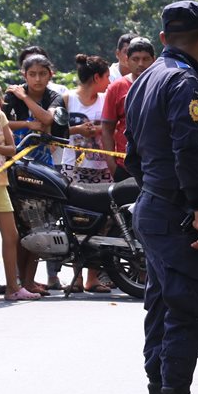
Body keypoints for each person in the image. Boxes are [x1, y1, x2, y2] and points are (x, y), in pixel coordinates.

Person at [124, 0, 198, 394]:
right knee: (192, 313)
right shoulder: (184, 81)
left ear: (164, 38)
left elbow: (132, 154)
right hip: (175, 211)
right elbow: (188, 149)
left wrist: (158, 192)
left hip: (153, 204)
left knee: (163, 309)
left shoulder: (144, 78)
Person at [3, 52, 66, 294]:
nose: (37, 79)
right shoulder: (11, 96)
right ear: (24, 75)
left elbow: (47, 118)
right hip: (15, 167)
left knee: (38, 225)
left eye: (42, 74)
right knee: (21, 226)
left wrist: (25, 98)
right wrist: (28, 124)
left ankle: (29, 280)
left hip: (42, 167)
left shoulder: (53, 97)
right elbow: (1, 122)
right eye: (32, 74)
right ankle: (21, 281)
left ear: (50, 75)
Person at [55, 54, 113, 292]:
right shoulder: (68, 99)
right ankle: (76, 277)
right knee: (75, 221)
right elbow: (55, 129)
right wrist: (78, 129)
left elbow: (112, 127)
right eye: (107, 76)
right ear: (97, 77)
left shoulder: (106, 99)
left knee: (103, 222)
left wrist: (97, 130)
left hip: (102, 168)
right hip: (74, 168)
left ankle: (92, 277)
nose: (109, 81)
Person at [0, 79, 34, 301]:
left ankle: (13, 287)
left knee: (11, 235)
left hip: (0, 182)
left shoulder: (0, 117)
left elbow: (12, 149)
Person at [102, 37, 156, 180]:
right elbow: (107, 128)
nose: (140, 64)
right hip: (124, 166)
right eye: (135, 59)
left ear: (154, 60)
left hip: (157, 166)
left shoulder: (162, 85)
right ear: (127, 60)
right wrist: (112, 166)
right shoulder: (116, 87)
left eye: (145, 59)